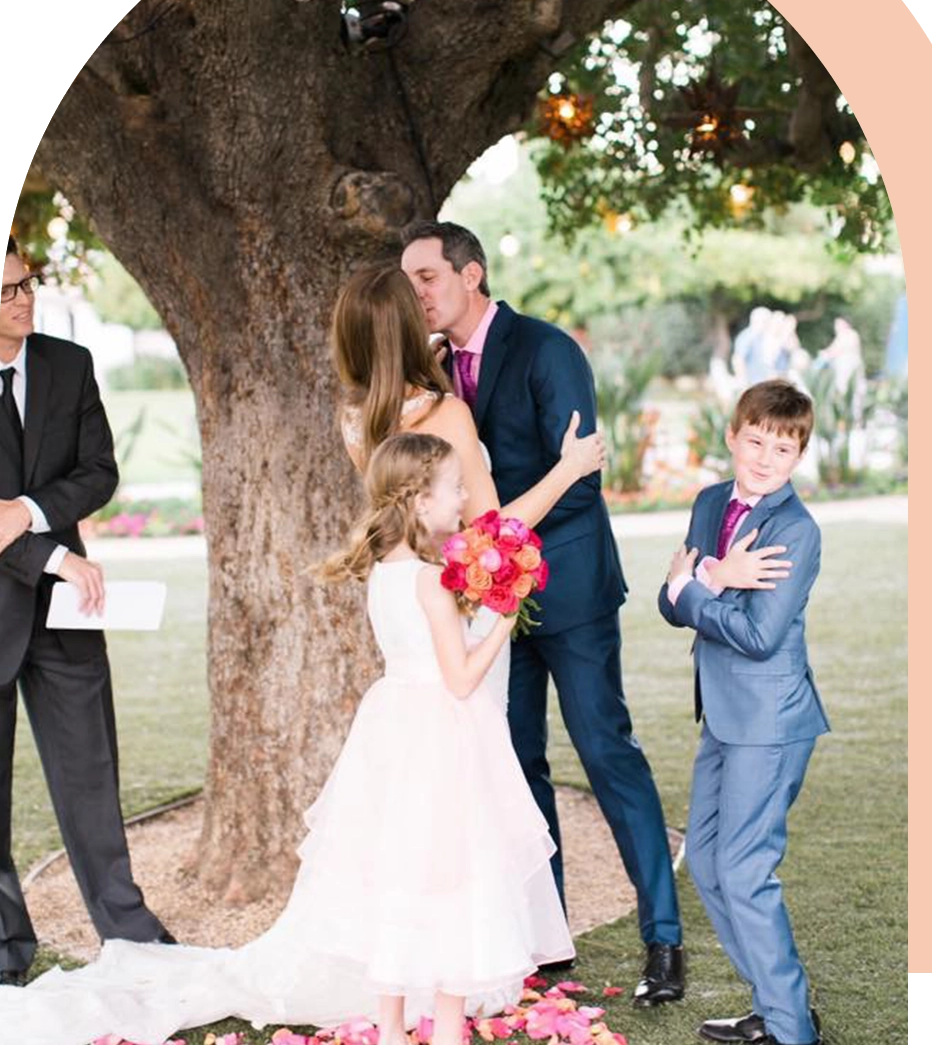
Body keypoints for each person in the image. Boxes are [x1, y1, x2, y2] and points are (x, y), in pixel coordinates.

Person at [0, 432, 577, 1045]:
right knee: (456, 872)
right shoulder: (433, 582)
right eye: (455, 487)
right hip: (441, 734)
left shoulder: (388, 570)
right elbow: (460, 680)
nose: (465, 498)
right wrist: (502, 619)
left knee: (396, 873)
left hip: (394, 729)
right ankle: (446, 1027)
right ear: (418, 502)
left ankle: (389, 1028)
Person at [400, 221, 684, 1006]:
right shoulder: (430, 372)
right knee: (517, 768)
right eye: (410, 280)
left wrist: (495, 548)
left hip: (570, 590)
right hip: (485, 610)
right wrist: (481, 573)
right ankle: (546, 939)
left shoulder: (547, 348)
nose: (417, 292)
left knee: (606, 752)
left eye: (427, 276)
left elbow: (581, 480)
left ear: (472, 273)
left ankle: (663, 939)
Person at [0, 239, 174, 988]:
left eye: (27, 284)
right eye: (7, 291)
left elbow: (99, 470)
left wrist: (32, 511)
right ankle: (6, 946)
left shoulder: (69, 364)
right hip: (47, 581)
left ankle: (130, 934)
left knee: (91, 774)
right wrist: (53, 555)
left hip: (68, 611)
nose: (23, 297)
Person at [331, 261, 606, 713]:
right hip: (456, 601)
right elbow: (488, 533)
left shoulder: (354, 420)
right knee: (472, 746)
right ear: (408, 326)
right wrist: (570, 468)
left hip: (402, 600)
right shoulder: (446, 413)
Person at [658, 380, 830, 1045]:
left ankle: (792, 1031)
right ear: (732, 436)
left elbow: (758, 636)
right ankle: (773, 1005)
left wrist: (702, 584)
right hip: (724, 716)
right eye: (754, 441)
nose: (763, 458)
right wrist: (709, 583)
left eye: (781, 449)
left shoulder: (795, 530)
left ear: (798, 457)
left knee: (743, 868)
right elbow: (668, 603)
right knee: (704, 860)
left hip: (771, 721)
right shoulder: (708, 503)